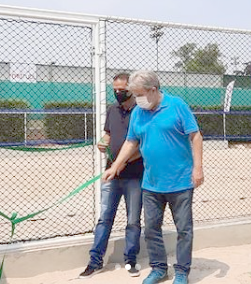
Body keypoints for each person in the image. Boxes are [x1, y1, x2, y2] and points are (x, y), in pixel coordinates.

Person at [103, 70, 204, 284]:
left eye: (139, 94)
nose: (137, 99)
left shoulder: (177, 106)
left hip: (180, 181)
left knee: (183, 229)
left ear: (153, 90)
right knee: (150, 229)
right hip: (151, 183)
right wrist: (115, 166)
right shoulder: (139, 112)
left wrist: (198, 168)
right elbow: (131, 142)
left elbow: (195, 136)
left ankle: (182, 271)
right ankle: (159, 268)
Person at [79, 73, 145, 279]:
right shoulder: (112, 110)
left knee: (133, 220)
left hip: (134, 175)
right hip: (112, 175)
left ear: (132, 88)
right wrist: (102, 142)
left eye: (121, 90)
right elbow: (108, 133)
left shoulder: (142, 112)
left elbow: (142, 145)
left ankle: (130, 261)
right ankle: (95, 261)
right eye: (114, 90)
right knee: (104, 219)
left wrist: (120, 164)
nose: (117, 93)